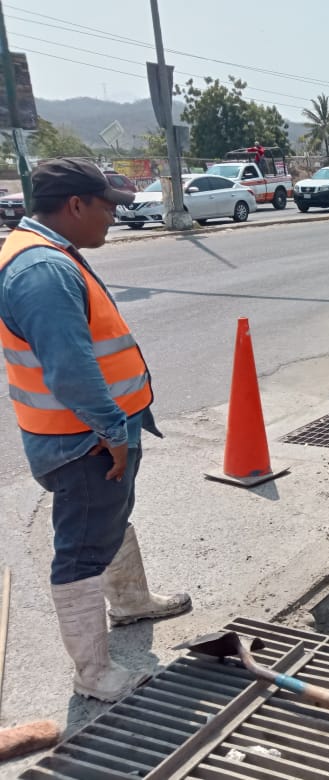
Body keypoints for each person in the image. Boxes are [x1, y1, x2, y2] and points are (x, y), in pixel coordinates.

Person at [0, 159, 191, 701]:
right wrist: (111, 431)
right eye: (107, 206)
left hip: (88, 435)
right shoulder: (41, 270)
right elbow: (70, 369)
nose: (113, 217)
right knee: (81, 549)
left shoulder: (50, 254)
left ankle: (130, 602)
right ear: (76, 205)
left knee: (108, 519)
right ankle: (94, 675)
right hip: (82, 441)